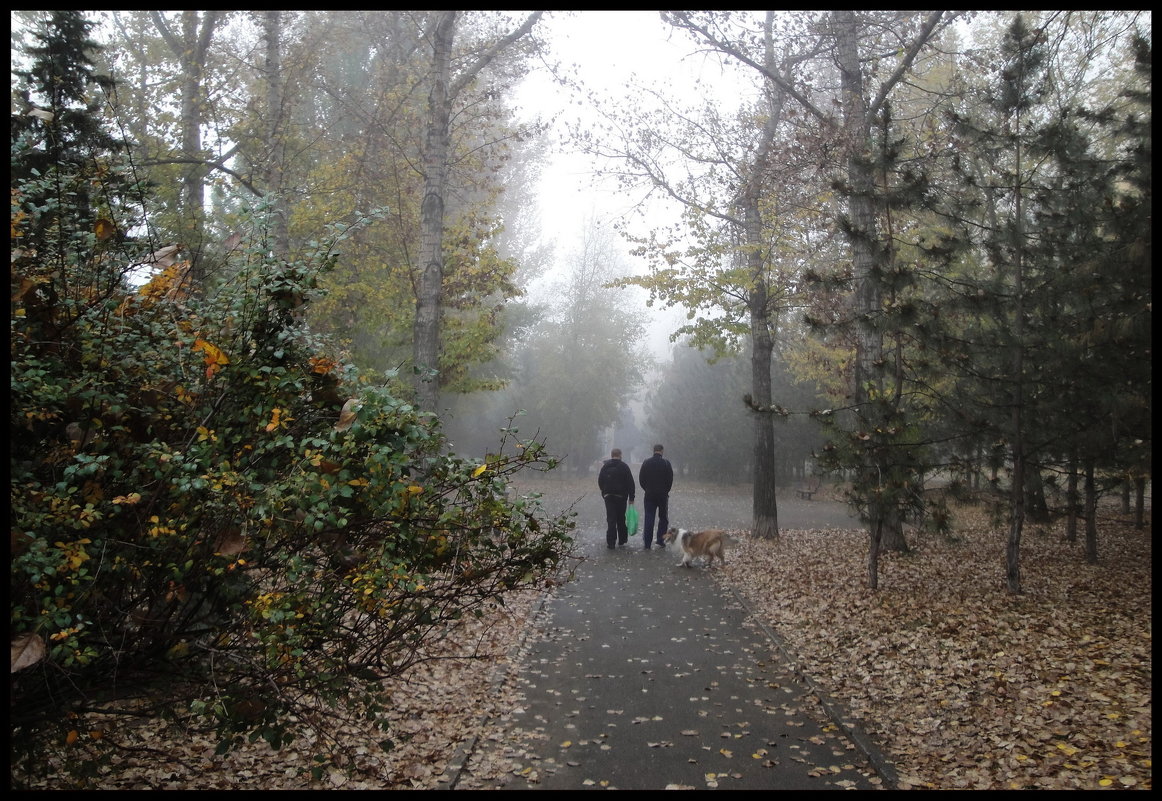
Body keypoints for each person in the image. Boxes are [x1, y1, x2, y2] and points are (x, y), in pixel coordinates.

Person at [597, 448, 636, 549]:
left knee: (611, 519)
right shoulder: (624, 467)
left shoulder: (605, 466)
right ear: (620, 455)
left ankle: (611, 542)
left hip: (608, 496)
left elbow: (600, 480)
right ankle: (622, 539)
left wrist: (603, 492)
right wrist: (631, 498)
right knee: (621, 518)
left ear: (611, 455)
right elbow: (630, 483)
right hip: (621, 497)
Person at [638, 443, 674, 549]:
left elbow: (641, 479)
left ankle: (647, 543)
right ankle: (661, 540)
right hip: (662, 495)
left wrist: (647, 489)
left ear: (653, 451)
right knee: (663, 518)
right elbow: (670, 480)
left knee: (649, 518)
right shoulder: (666, 463)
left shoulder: (646, 462)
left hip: (649, 495)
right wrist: (665, 490)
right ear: (662, 451)